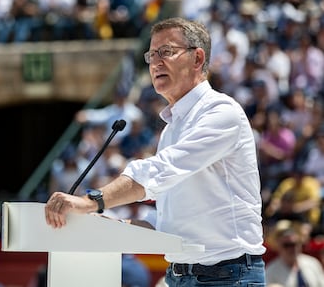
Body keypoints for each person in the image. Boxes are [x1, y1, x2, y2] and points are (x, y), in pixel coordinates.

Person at [45, 17, 266, 286]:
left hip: (228, 277)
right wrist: (105, 224)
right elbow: (167, 221)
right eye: (151, 55)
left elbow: (161, 170)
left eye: (167, 52)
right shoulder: (172, 128)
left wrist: (93, 200)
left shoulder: (221, 112)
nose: (155, 63)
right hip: (180, 276)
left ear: (197, 59)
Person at [265, 219, 324, 287]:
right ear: (278, 246)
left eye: (294, 244)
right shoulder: (271, 272)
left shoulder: (312, 263)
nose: (292, 249)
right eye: (286, 245)